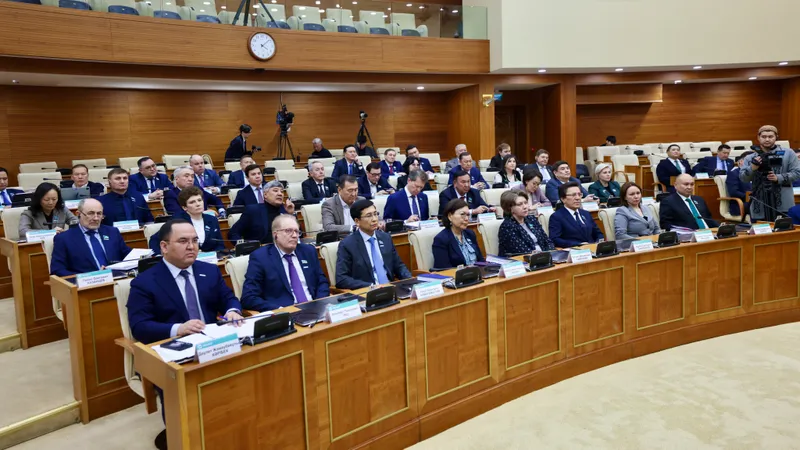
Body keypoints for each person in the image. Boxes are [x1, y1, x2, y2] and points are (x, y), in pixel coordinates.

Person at [127, 219, 243, 450]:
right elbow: (140, 326)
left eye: (194, 241)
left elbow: (228, 299)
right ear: (164, 246)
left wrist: (232, 311)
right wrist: (177, 329)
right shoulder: (145, 282)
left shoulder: (209, 271)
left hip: (214, 344)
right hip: (172, 352)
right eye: (183, 241)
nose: (191, 246)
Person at [240, 215, 330, 312]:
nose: (294, 235)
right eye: (288, 231)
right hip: (284, 313)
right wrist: (279, 310)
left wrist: (319, 303)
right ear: (276, 235)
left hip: (316, 309)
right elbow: (248, 297)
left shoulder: (308, 251)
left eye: (297, 231)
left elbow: (322, 282)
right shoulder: (261, 257)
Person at [334, 200, 412, 289]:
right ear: (357, 221)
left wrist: (410, 280)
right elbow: (341, 279)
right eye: (369, 216)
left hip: (391, 288)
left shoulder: (385, 237)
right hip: (368, 292)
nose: (374, 219)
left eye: (375, 214)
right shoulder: (347, 245)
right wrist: (371, 287)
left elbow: (399, 266)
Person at [50, 198, 132, 276]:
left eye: (99, 214)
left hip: (116, 278)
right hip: (87, 283)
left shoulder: (112, 232)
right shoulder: (64, 239)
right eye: (91, 213)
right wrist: (88, 277)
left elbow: (128, 255)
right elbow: (57, 270)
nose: (96, 218)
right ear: (78, 214)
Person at [740, 125, 800, 221]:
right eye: (763, 137)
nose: (767, 139)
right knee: (761, 230)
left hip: (783, 202)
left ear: (776, 137)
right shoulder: (750, 157)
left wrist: (778, 178)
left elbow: (797, 173)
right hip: (759, 204)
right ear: (758, 137)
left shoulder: (788, 153)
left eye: (770, 136)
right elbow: (743, 178)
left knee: (784, 229)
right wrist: (752, 168)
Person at [149, 187, 224, 255]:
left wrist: (216, 255)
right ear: (184, 207)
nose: (198, 204)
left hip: (211, 259)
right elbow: (154, 240)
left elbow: (220, 244)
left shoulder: (212, 219)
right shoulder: (177, 220)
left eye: (199, 200)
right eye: (192, 202)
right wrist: (161, 257)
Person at [228, 180, 294, 243]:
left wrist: (290, 214)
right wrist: (244, 246)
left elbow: (297, 233)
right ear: (265, 195)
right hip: (262, 248)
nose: (280, 194)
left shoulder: (285, 211)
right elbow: (233, 233)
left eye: (282, 191)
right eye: (275, 190)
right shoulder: (253, 210)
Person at [498, 190, 554, 256]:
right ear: (510, 208)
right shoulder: (507, 226)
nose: (525, 207)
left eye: (526, 203)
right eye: (519, 204)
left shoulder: (531, 219)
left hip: (542, 257)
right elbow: (522, 250)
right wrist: (544, 256)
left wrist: (551, 253)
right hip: (521, 260)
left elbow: (547, 240)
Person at [432, 199, 485, 268]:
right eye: (462, 214)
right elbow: (444, 269)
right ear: (450, 216)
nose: (466, 219)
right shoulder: (441, 239)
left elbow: (480, 260)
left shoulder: (470, 234)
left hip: (477, 273)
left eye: (468, 215)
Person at [548, 182, 604, 248]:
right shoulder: (557, 217)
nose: (577, 198)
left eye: (579, 194)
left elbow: (598, 233)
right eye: (573, 195)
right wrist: (578, 244)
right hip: (574, 250)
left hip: (593, 248)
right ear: (563, 199)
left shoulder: (586, 213)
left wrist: (599, 242)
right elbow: (555, 239)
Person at [726, 151, 753, 217]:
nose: (751, 163)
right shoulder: (733, 174)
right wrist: (749, 197)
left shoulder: (756, 173)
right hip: (740, 204)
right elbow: (734, 192)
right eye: (748, 161)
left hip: (755, 202)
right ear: (740, 162)